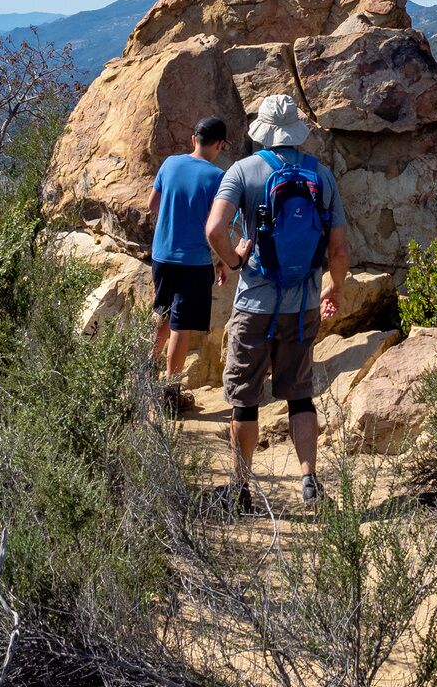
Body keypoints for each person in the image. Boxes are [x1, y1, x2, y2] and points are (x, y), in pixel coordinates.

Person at [203, 94, 348, 510]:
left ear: (264, 132)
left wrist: (233, 260)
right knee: (300, 394)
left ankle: (242, 488)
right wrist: (333, 288)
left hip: (254, 304)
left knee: (244, 399)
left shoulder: (243, 171)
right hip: (302, 305)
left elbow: (215, 229)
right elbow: (338, 250)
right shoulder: (321, 175)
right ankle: (309, 482)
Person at [146, 115, 234, 410]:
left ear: (194, 139)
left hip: (162, 255)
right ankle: (170, 394)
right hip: (193, 261)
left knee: (162, 313)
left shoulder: (170, 164)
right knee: (180, 327)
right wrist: (222, 262)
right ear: (220, 144)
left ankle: (145, 371)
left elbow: (152, 205)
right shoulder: (217, 177)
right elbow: (216, 226)